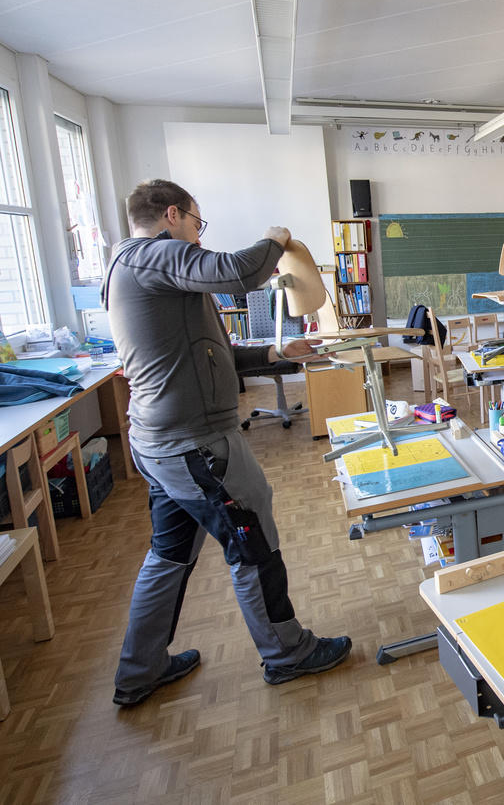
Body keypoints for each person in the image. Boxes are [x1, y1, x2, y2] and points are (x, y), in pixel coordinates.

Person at [104, 179, 351, 707]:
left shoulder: (140, 270)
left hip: (164, 444)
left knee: (168, 554)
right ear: (172, 215)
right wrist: (276, 237)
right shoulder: (154, 256)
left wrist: (278, 351)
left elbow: (211, 354)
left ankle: (139, 669)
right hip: (195, 447)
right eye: (197, 221)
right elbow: (240, 273)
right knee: (253, 542)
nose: (197, 234)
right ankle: (287, 653)